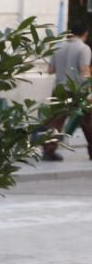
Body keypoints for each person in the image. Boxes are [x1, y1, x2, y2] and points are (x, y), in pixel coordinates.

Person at [43, 19, 92, 161]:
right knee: (88, 121)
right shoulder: (84, 48)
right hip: (77, 90)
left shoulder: (58, 47)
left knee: (55, 121)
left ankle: (49, 150)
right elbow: (84, 71)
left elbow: (50, 70)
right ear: (85, 33)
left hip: (59, 89)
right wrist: (89, 90)